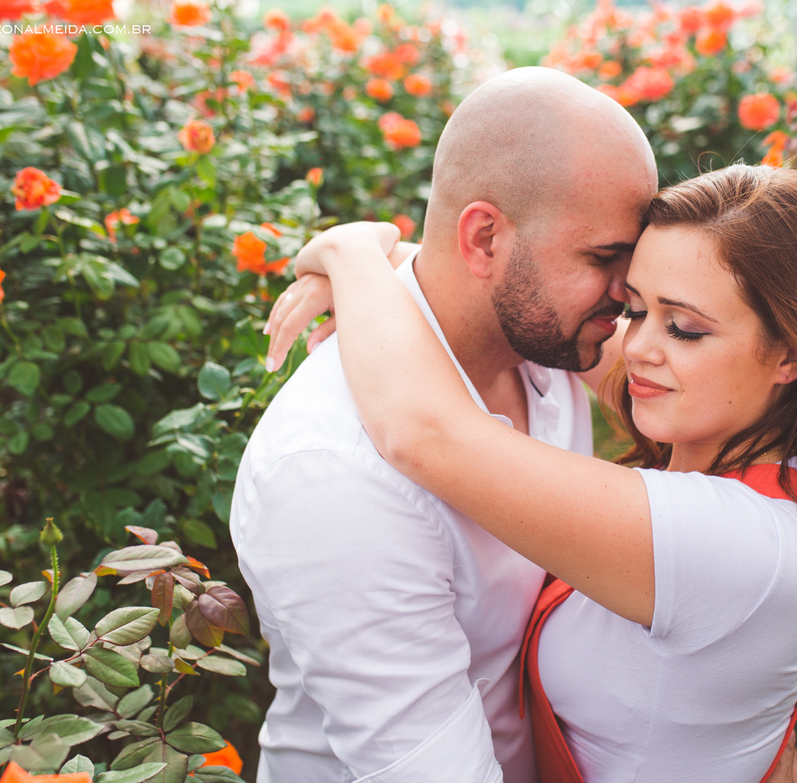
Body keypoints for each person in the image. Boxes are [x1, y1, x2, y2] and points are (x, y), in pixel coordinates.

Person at [264, 163, 797, 782]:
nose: (637, 347)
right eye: (635, 308)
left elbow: (425, 433)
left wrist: (351, 254)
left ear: (793, 354)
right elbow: (525, 305)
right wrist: (398, 272)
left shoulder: (740, 542)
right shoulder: (754, 440)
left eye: (684, 327)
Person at [230, 65, 657, 783]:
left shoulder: (550, 342)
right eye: (603, 258)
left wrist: (361, 255)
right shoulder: (335, 471)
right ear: (484, 239)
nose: (628, 294)